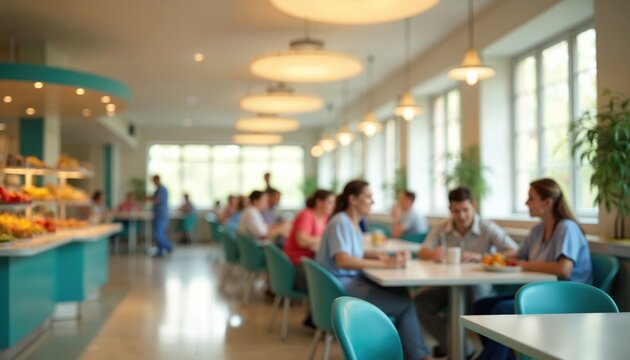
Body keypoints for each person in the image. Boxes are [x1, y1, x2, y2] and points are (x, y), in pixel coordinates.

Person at [473, 178, 593, 360]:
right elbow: (518, 255)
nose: (525, 203)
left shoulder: (567, 228)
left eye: (530, 198)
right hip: (542, 294)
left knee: (502, 311)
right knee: (481, 306)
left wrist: (524, 265)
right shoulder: (538, 230)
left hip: (567, 298)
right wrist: (485, 257)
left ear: (547, 203)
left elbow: (564, 269)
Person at [316, 180, 432, 360]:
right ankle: (421, 357)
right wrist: (386, 264)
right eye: (368, 197)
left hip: (347, 283)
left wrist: (383, 257)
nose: (373, 201)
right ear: (353, 199)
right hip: (341, 290)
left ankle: (408, 354)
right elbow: (342, 259)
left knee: (401, 292)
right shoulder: (340, 222)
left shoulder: (351, 223)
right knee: (407, 306)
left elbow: (355, 252)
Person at [415, 187, 518, 359]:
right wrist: (434, 254)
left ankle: (479, 351)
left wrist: (482, 256)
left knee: (480, 301)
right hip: (446, 285)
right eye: (456, 211)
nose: (461, 216)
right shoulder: (442, 227)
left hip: (478, 284)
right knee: (419, 304)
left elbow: (514, 251)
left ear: (474, 207)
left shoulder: (487, 227)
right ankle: (462, 349)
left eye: (465, 210)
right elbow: (423, 251)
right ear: (450, 209)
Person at [284, 189, 335, 290]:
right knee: (331, 279)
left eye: (334, 203)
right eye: (330, 202)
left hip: (312, 260)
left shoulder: (325, 217)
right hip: (297, 264)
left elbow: (314, 240)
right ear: (318, 202)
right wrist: (324, 240)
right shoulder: (307, 215)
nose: (333, 206)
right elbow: (302, 241)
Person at [148, 175, 173, 256]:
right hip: (158, 214)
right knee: (159, 233)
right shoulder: (158, 190)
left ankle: (168, 247)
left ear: (157, 180)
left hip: (161, 215)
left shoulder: (162, 190)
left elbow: (157, 200)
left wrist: (148, 199)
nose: (153, 183)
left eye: (154, 181)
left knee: (159, 234)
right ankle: (161, 250)